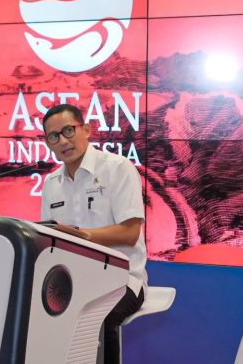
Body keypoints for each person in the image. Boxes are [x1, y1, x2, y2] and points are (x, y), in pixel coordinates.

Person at [40, 103, 146, 364]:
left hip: (122, 280)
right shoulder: (51, 183)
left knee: (97, 321)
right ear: (48, 143)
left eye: (68, 130)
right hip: (71, 282)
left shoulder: (118, 168)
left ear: (86, 130)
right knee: (35, 314)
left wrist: (79, 236)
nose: (63, 141)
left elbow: (130, 233)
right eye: (54, 136)